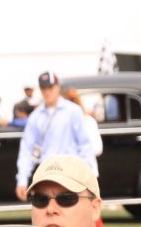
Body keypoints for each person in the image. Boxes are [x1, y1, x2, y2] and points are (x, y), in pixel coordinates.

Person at [15, 71, 97, 201]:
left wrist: (88, 176)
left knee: (72, 214)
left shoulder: (73, 111)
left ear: (58, 87)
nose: (47, 92)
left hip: (71, 174)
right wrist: (22, 180)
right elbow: (27, 149)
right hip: (48, 173)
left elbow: (84, 145)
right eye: (44, 88)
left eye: (50, 87)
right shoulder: (35, 116)